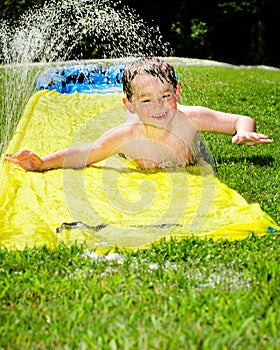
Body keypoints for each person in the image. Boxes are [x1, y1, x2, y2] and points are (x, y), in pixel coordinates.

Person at [5, 57, 273, 171]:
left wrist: (243, 131)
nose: (158, 106)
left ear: (177, 92)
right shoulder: (127, 136)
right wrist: (43, 163)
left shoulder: (189, 118)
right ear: (130, 104)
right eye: (146, 100)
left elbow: (239, 119)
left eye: (165, 96)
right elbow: (85, 154)